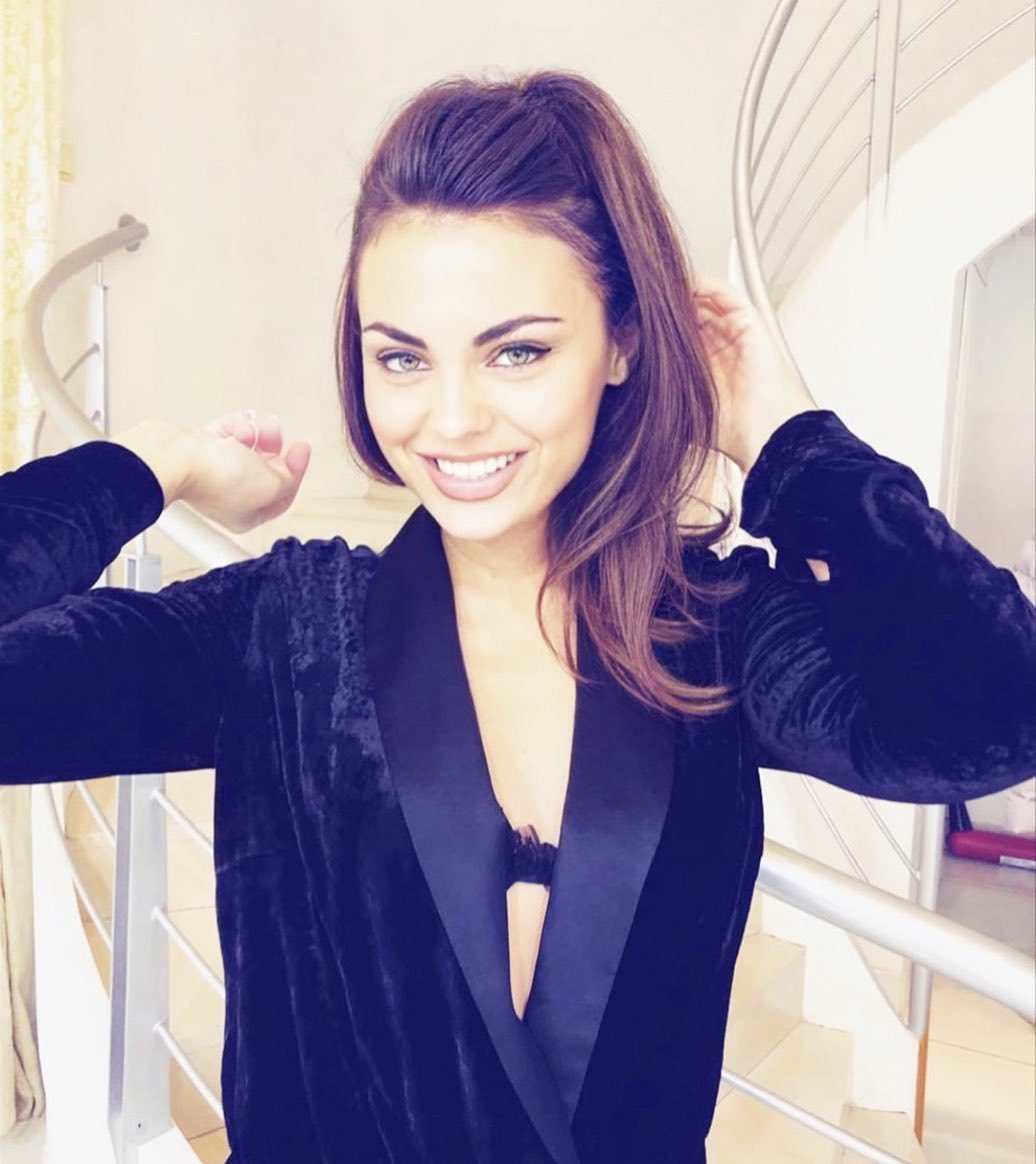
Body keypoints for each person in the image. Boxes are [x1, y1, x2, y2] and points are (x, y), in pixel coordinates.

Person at [2, 69, 1033, 1164]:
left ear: (622, 344)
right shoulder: (286, 632)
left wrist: (782, 438)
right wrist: (153, 463)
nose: (452, 419)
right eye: (403, 357)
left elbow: (993, 713)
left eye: (518, 351)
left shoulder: (711, 633)